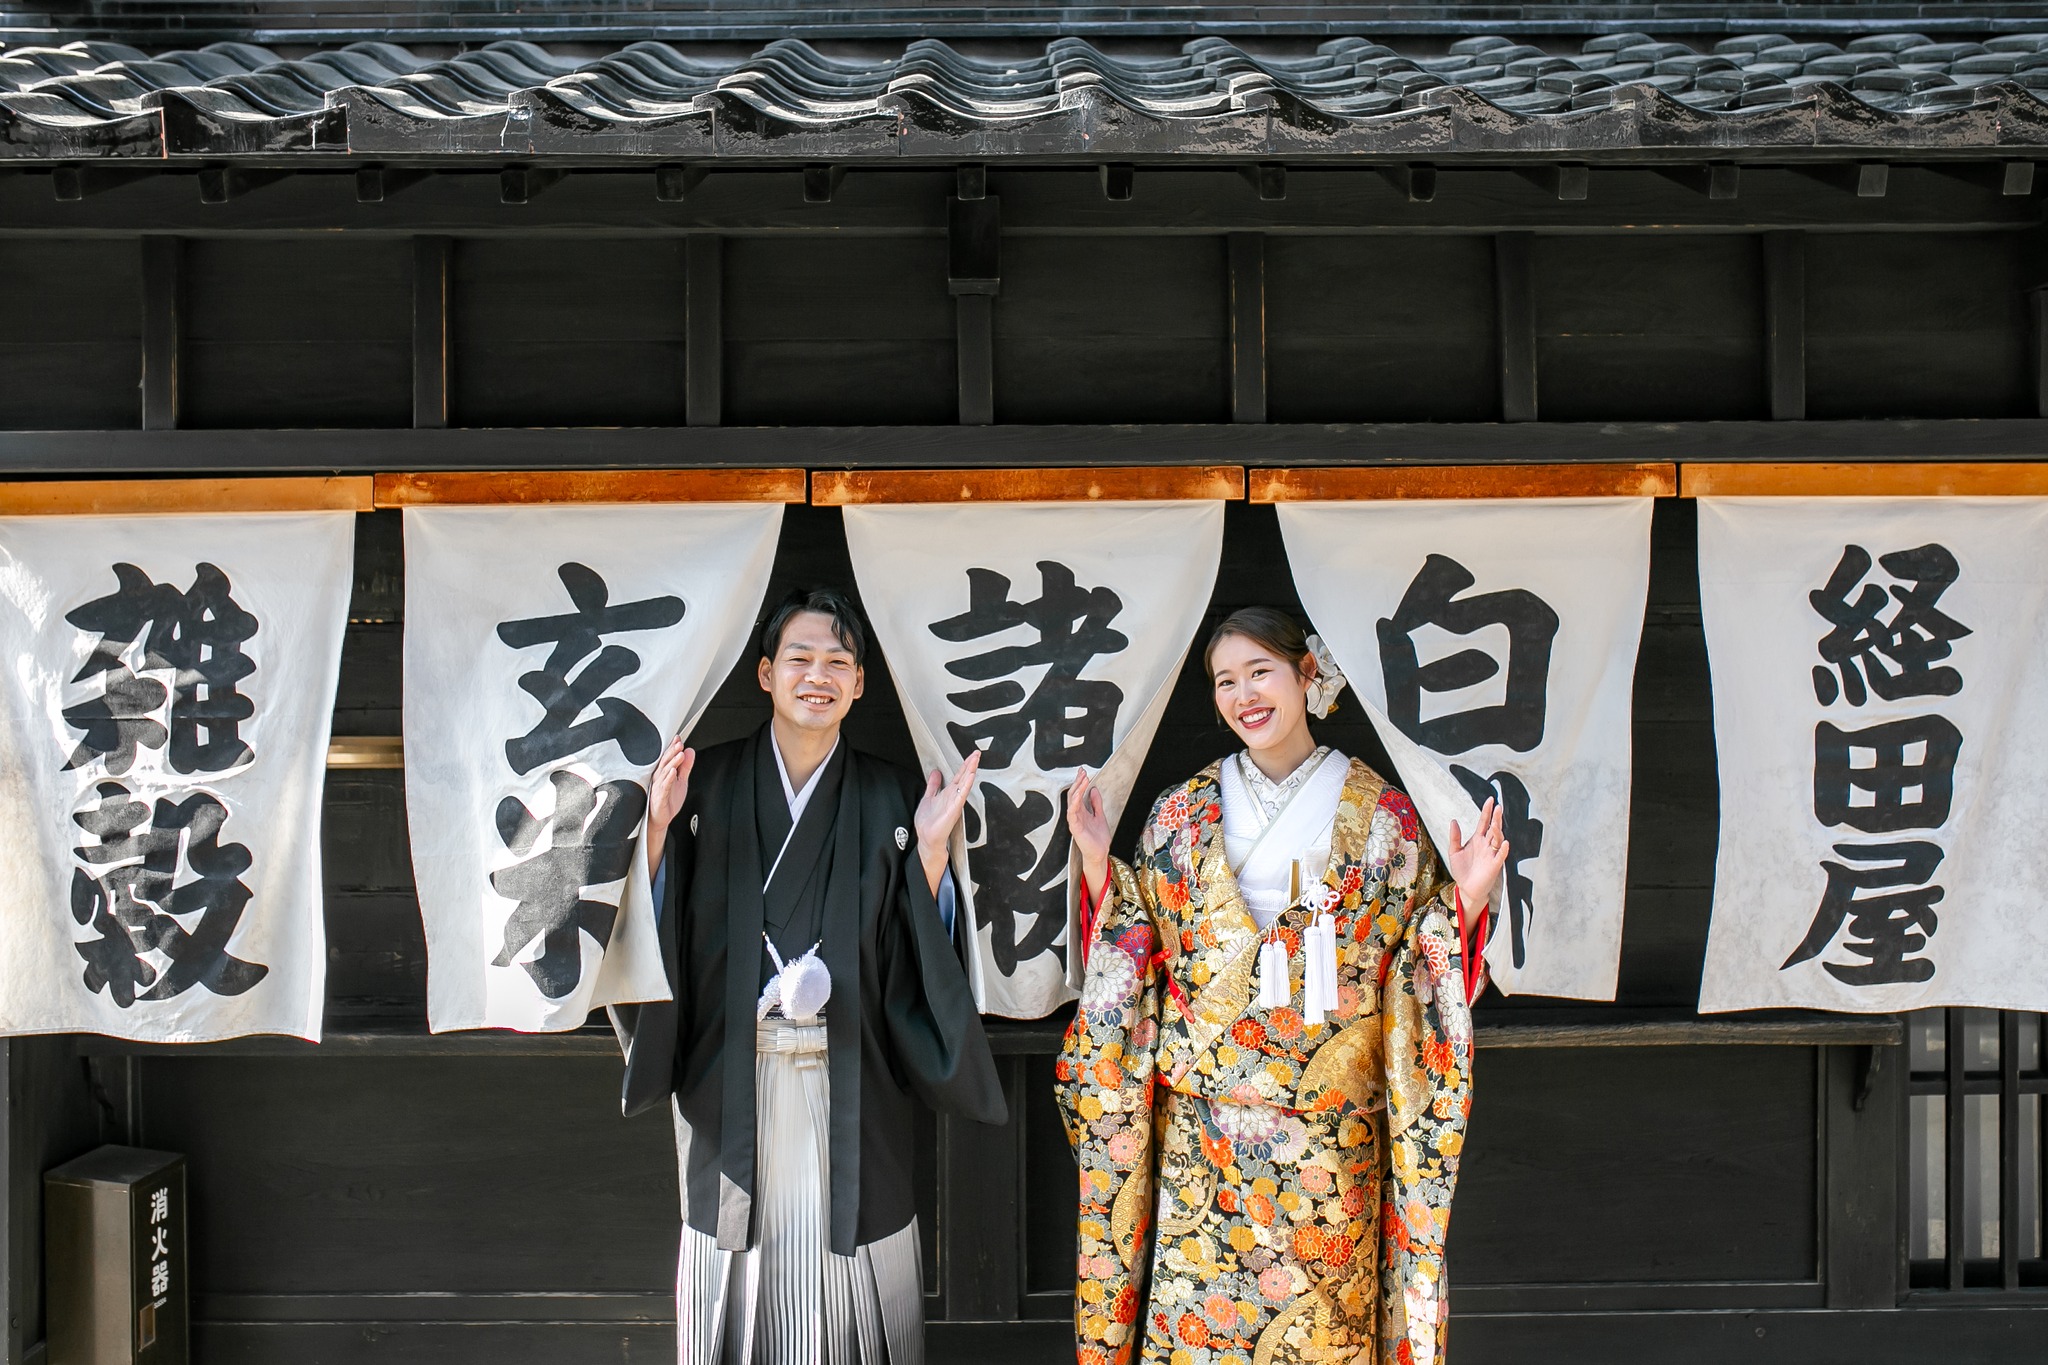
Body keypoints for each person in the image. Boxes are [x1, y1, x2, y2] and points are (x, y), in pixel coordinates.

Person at [1056, 607, 1503, 1365]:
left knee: (1323, 1337)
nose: (1244, 695)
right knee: (1201, 1333)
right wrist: (1100, 864)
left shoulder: (1383, 816)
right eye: (1225, 681)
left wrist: (1464, 900)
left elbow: (1418, 972)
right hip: (1205, 1142)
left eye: (1260, 671)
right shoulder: (1178, 814)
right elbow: (1136, 954)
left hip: (1327, 1146)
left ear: (1307, 673)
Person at [614, 586, 1006, 1365]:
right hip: (734, 1082)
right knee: (738, 1282)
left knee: (858, 1293)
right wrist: (656, 829)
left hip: (854, 1085)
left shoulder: (892, 796)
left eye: (837, 661)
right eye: (799, 658)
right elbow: (654, 935)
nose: (817, 675)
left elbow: (916, 956)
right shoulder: (703, 786)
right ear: (765, 673)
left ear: (860, 683)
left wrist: (930, 853)